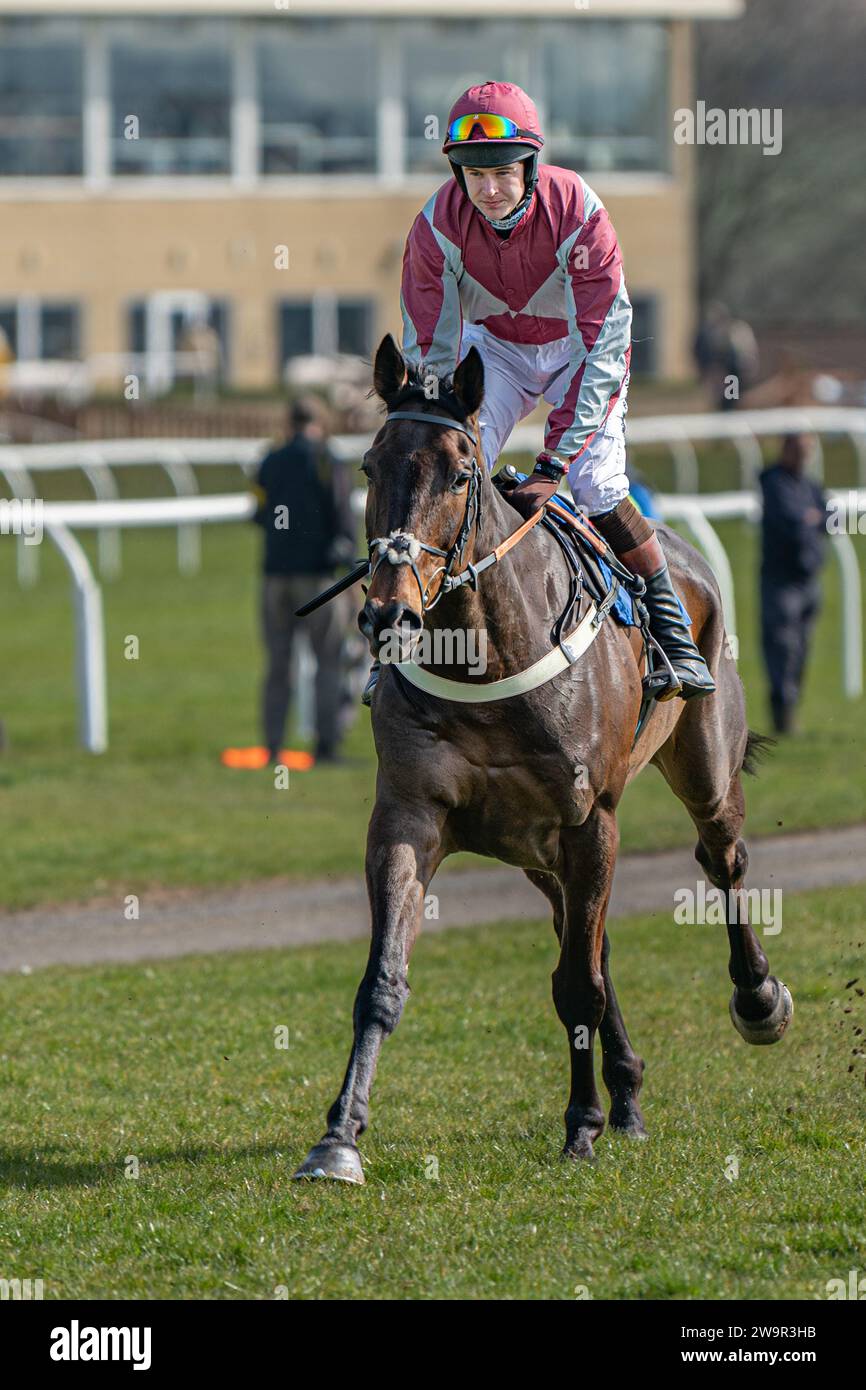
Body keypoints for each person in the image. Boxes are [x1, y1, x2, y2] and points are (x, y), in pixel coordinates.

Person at [365, 80, 714, 705]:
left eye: (503, 172)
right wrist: (435, 418)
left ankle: (672, 632)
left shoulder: (579, 210)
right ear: (456, 172)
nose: (490, 190)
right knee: (439, 470)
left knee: (595, 487)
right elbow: (432, 348)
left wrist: (553, 464)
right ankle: (399, 637)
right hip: (493, 353)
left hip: (583, 352)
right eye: (474, 175)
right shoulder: (433, 227)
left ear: (530, 165)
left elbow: (606, 344)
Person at [252, 395, 356, 763]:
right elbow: (343, 520)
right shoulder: (329, 459)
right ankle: (326, 748)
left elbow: (258, 513)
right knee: (327, 663)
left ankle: (273, 748)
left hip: (274, 578)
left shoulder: (269, 459)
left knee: (278, 666)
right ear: (321, 422)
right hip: (320, 582)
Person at [758, 433, 828, 734]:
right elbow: (794, 523)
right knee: (783, 649)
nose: (804, 457)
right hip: (781, 583)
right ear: (786, 450)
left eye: (807, 451)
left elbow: (830, 517)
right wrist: (810, 519)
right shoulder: (774, 482)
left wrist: (812, 518)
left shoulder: (809, 485)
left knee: (800, 648)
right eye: (799, 451)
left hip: (809, 581)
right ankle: (782, 718)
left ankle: (790, 712)